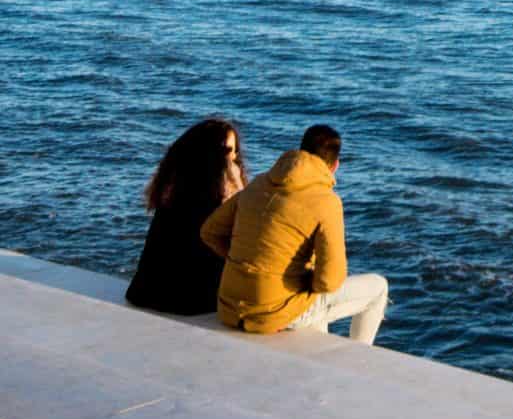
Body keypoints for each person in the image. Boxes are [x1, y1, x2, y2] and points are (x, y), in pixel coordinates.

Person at [200, 122, 388, 344]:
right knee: (378, 288)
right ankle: (360, 354)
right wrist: (301, 279)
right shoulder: (326, 202)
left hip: (230, 306)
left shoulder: (259, 183)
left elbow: (209, 231)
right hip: (271, 314)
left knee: (311, 295)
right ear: (335, 165)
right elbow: (329, 281)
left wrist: (248, 262)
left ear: (300, 151)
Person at [126, 116, 247, 316]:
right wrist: (236, 182)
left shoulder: (174, 185)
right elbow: (246, 223)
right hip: (191, 300)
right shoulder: (213, 194)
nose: (233, 157)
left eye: (235, 151)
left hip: (146, 292)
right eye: (227, 151)